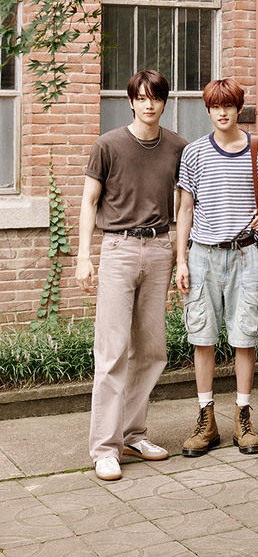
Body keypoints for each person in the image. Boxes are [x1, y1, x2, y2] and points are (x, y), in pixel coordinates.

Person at [75, 70, 187, 481]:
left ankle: (132, 433)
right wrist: (84, 257)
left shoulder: (177, 146)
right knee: (112, 352)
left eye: (155, 97)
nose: (149, 104)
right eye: (141, 97)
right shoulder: (108, 145)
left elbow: (187, 203)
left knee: (152, 351)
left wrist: (181, 253)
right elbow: (89, 202)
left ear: (163, 101)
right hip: (118, 249)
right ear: (131, 102)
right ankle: (105, 447)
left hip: (159, 249)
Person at [176, 78, 258, 457]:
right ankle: (206, 420)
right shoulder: (194, 153)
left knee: (245, 335)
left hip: (245, 252)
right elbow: (184, 209)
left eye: (228, 105)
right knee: (203, 336)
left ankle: (243, 419)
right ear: (208, 109)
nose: (222, 112)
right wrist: (181, 260)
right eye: (215, 106)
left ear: (238, 107)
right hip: (202, 254)